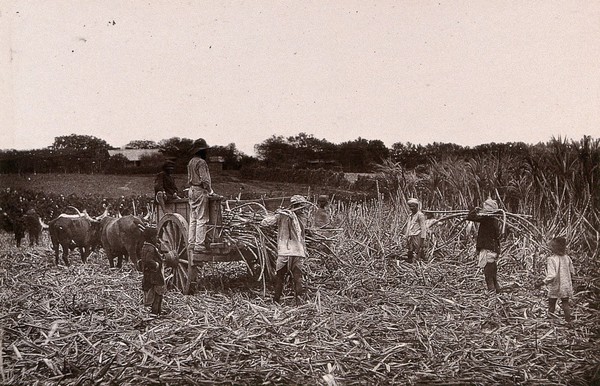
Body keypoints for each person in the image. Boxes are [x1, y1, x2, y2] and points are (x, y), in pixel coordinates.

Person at [260, 195, 312, 304]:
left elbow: (264, 223)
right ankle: (299, 302)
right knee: (298, 277)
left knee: (280, 277)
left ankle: (276, 301)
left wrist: (277, 213)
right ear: (300, 205)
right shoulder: (304, 218)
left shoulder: (282, 215)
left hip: (285, 251)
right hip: (298, 251)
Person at [466, 197, 502, 293]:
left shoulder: (487, 218)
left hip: (488, 248)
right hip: (493, 248)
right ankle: (497, 291)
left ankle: (492, 292)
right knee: (492, 272)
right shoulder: (494, 219)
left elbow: (470, 217)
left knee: (488, 274)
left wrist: (474, 210)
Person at [537, 237, 574, 324]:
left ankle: (550, 321)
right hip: (565, 284)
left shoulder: (551, 259)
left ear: (553, 248)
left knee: (552, 303)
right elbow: (572, 271)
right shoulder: (567, 258)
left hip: (555, 285)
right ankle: (568, 321)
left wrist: (542, 282)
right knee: (565, 303)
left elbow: (551, 276)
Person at [187, 138, 213, 254]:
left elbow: (189, 179)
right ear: (202, 151)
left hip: (191, 190)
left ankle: (191, 243)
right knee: (202, 218)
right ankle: (199, 245)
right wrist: (210, 191)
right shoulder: (201, 162)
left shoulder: (191, 162)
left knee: (193, 218)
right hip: (200, 191)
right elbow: (205, 180)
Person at [405, 198, 427, 262]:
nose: (411, 208)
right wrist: (406, 235)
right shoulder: (410, 215)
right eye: (410, 206)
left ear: (417, 206)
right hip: (411, 235)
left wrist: (422, 239)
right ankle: (410, 261)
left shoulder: (420, 215)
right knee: (410, 250)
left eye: (413, 206)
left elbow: (423, 228)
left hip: (417, 235)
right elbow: (409, 225)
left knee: (418, 250)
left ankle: (421, 262)